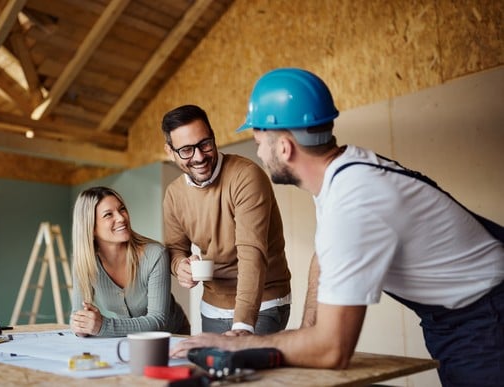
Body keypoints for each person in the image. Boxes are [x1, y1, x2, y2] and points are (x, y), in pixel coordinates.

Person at [171, 68, 504, 386]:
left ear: (284, 148)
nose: (258, 150)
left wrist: (236, 344)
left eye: (258, 140)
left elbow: (333, 349)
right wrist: (304, 333)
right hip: (459, 315)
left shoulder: (354, 200)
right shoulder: (342, 173)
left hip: (486, 317)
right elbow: (322, 258)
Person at [161, 104, 292, 336]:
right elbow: (175, 249)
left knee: (249, 370)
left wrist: (242, 325)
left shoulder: (245, 176)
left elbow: (252, 253)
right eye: (186, 150)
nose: (199, 157)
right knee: (215, 371)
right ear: (170, 152)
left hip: (263, 303)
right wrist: (179, 266)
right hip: (213, 306)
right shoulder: (174, 194)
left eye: (205, 144)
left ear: (213, 137)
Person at [70, 186, 190, 337]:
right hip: (128, 338)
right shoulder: (84, 263)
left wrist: (103, 325)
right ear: (91, 227)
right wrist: (82, 326)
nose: (121, 218)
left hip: (173, 336)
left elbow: (158, 321)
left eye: (122, 209)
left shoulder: (155, 255)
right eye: (108, 215)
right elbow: (77, 315)